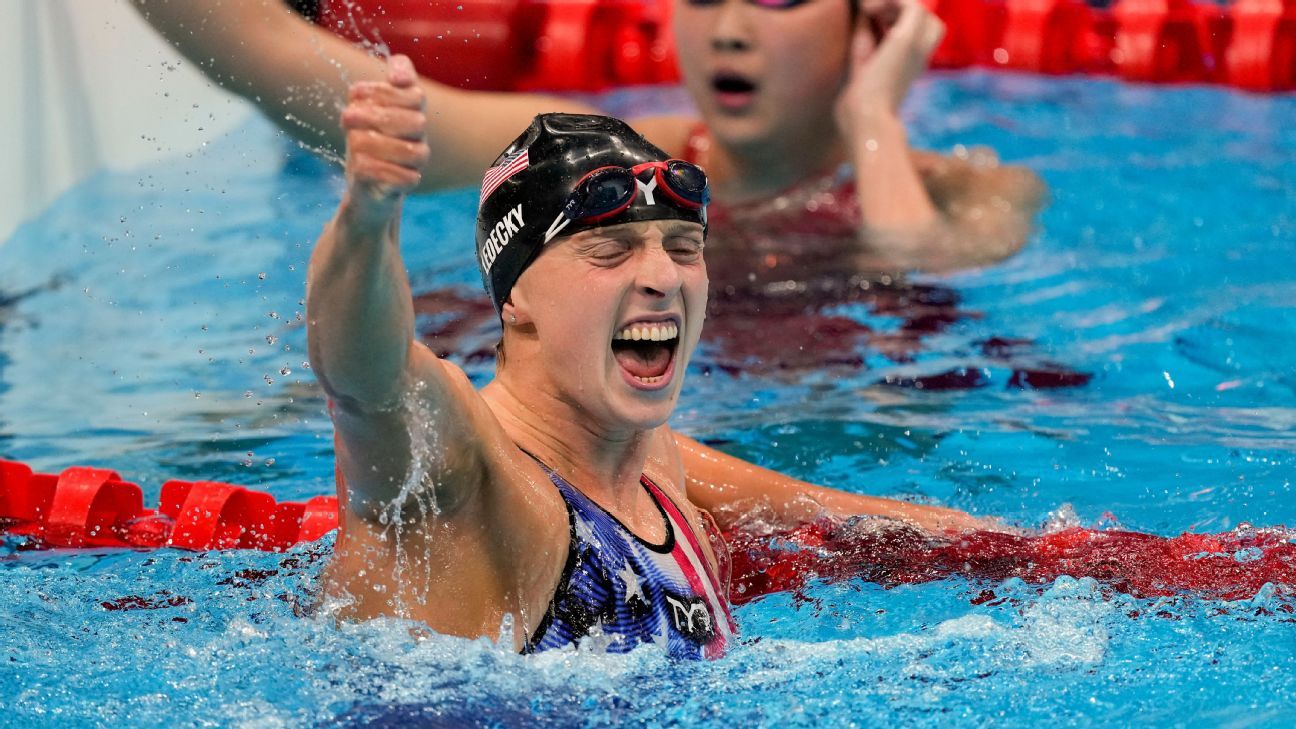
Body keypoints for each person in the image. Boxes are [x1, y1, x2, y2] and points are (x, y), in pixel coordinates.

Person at [311, 56, 989, 657]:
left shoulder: (646, 456)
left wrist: (1005, 548)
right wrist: (368, 215)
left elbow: (817, 512)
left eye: (684, 248)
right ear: (514, 295)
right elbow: (366, 381)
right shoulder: (461, 473)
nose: (663, 277)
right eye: (610, 252)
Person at [132, 0, 1044, 273]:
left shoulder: (977, 187)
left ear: (867, 24)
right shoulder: (612, 155)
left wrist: (874, 118)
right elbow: (331, 91)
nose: (727, 28)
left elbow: (914, 263)